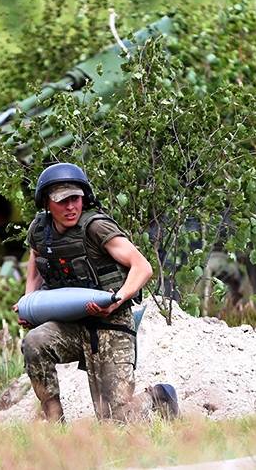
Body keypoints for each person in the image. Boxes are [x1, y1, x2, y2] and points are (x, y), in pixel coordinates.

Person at [15, 162, 178, 423]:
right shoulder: (40, 230)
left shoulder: (96, 227)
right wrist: (30, 304)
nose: (71, 207)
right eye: (62, 201)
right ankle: (55, 422)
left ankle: (159, 396)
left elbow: (142, 267)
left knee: (115, 421)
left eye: (75, 199)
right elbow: (36, 261)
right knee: (34, 342)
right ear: (46, 203)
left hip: (111, 324)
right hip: (70, 324)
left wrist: (117, 300)